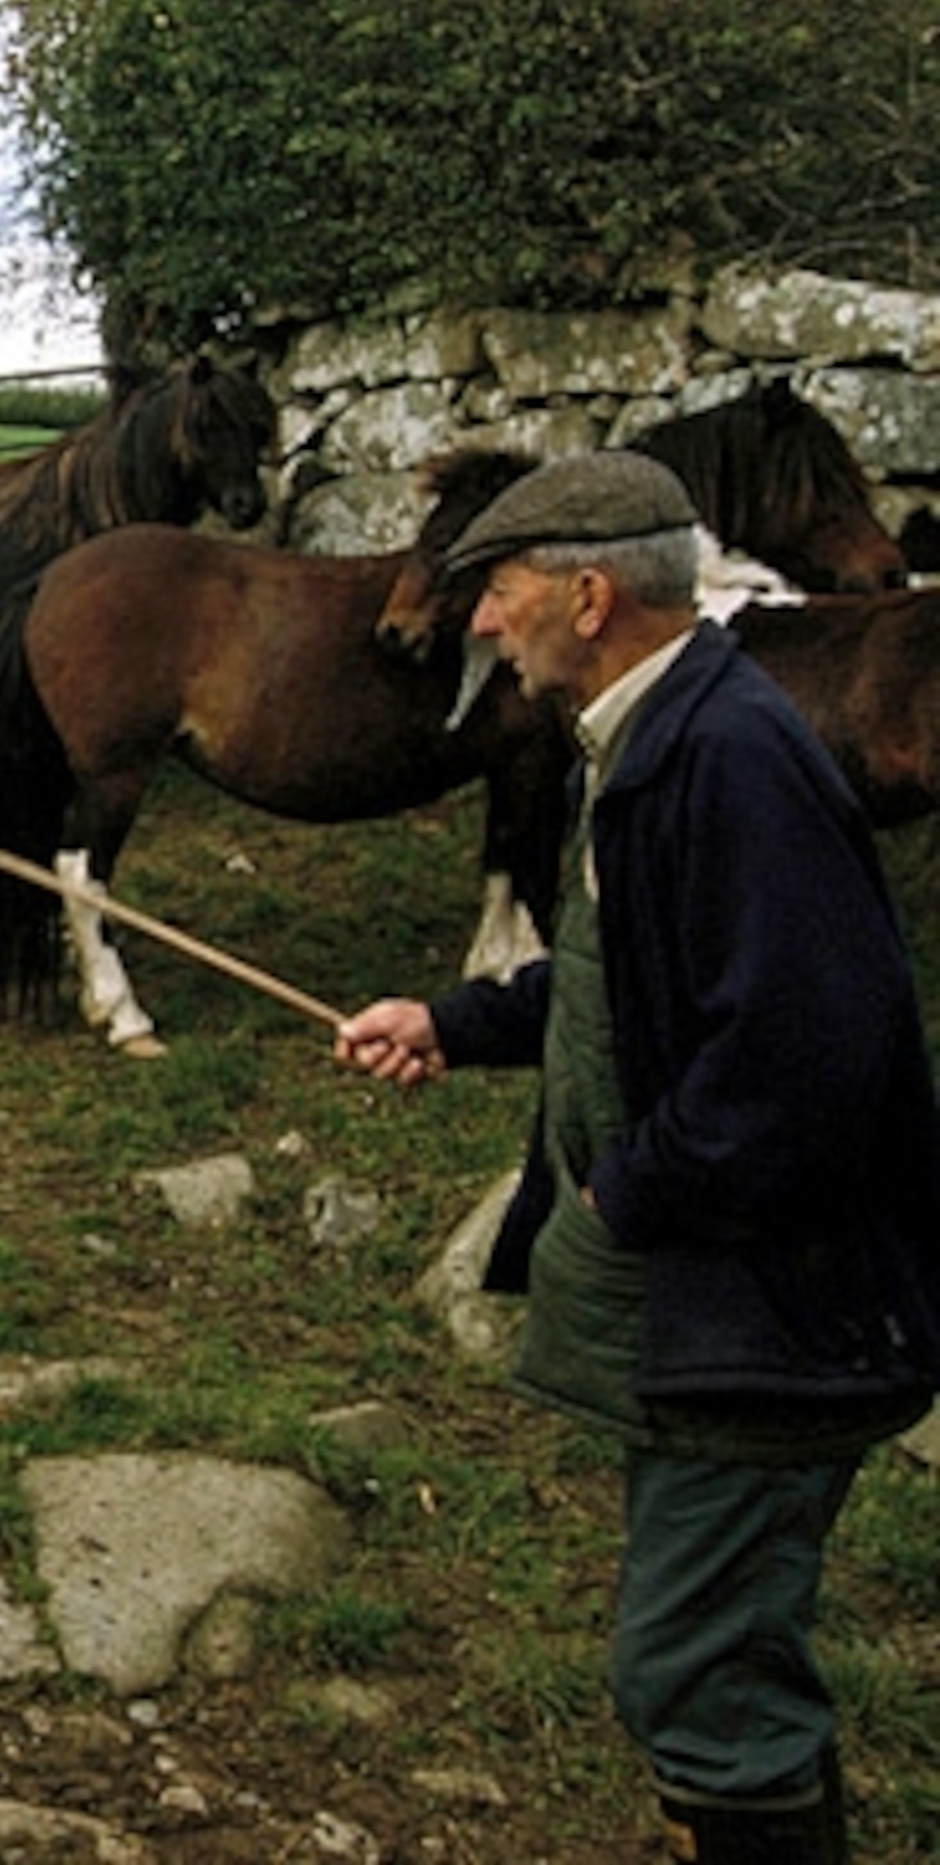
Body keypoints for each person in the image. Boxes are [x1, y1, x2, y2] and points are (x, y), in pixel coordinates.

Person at [334, 449, 940, 1864]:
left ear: (590, 595)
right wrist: (456, 1018)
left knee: (695, 1673)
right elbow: (639, 979)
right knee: (704, 1663)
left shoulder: (724, 761)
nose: (480, 621)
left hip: (781, 1317)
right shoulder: (669, 736)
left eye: (501, 591)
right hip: (742, 1307)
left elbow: (813, 1059)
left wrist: (633, 1185)